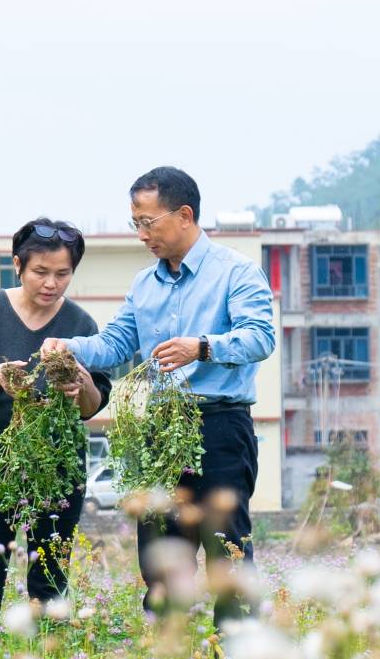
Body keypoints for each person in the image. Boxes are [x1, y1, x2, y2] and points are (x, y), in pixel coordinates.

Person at [41, 167, 275, 629]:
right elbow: (114, 344)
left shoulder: (236, 272)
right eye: (136, 223)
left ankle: (237, 657)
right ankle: (168, 655)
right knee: (160, 551)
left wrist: (202, 346)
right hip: (160, 430)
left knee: (225, 547)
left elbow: (260, 338)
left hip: (219, 426)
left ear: (184, 215)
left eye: (148, 222)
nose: (142, 234)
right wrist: (67, 346)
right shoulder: (145, 284)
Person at [0, 218, 111, 635]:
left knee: (49, 575)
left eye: (62, 273)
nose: (51, 283)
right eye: (40, 272)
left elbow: (92, 405)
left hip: (57, 464)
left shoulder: (80, 325)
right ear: (18, 265)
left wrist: (83, 383)